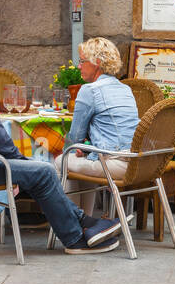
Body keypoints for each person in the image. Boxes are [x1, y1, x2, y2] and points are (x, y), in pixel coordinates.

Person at [0, 24, 120, 253]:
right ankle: (76, 238)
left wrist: (18, 162)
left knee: (35, 171)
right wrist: (18, 160)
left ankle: (87, 223)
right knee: (43, 172)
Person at [60, 38, 140, 208]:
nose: (79, 66)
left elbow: (75, 138)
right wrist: (86, 148)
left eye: (82, 61)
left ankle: (74, 226)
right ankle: (85, 224)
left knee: (62, 160)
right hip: (137, 161)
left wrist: (78, 147)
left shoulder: (89, 90)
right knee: (81, 159)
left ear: (96, 62)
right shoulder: (125, 88)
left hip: (115, 163)